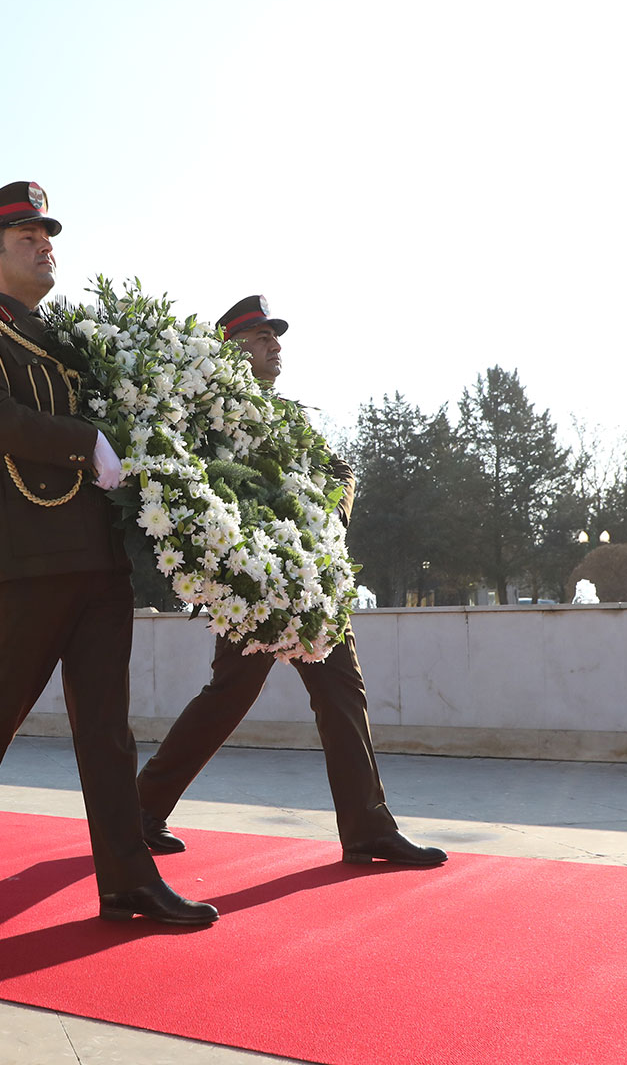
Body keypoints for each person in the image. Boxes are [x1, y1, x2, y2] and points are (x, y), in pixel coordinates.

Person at [0, 181, 217, 926]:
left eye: (49, 234)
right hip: (25, 552)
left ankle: (126, 881)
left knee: (107, 725)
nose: (46, 244)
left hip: (96, 554)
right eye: (27, 236)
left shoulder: (71, 340)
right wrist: (86, 443)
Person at [135, 295, 448, 869]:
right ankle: (140, 809)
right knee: (230, 695)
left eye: (275, 336)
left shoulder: (293, 418)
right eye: (259, 337)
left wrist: (329, 524)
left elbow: (341, 471)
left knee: (341, 691)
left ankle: (367, 827)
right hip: (257, 585)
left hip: (309, 580)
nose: (274, 344)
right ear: (229, 351)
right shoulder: (212, 419)